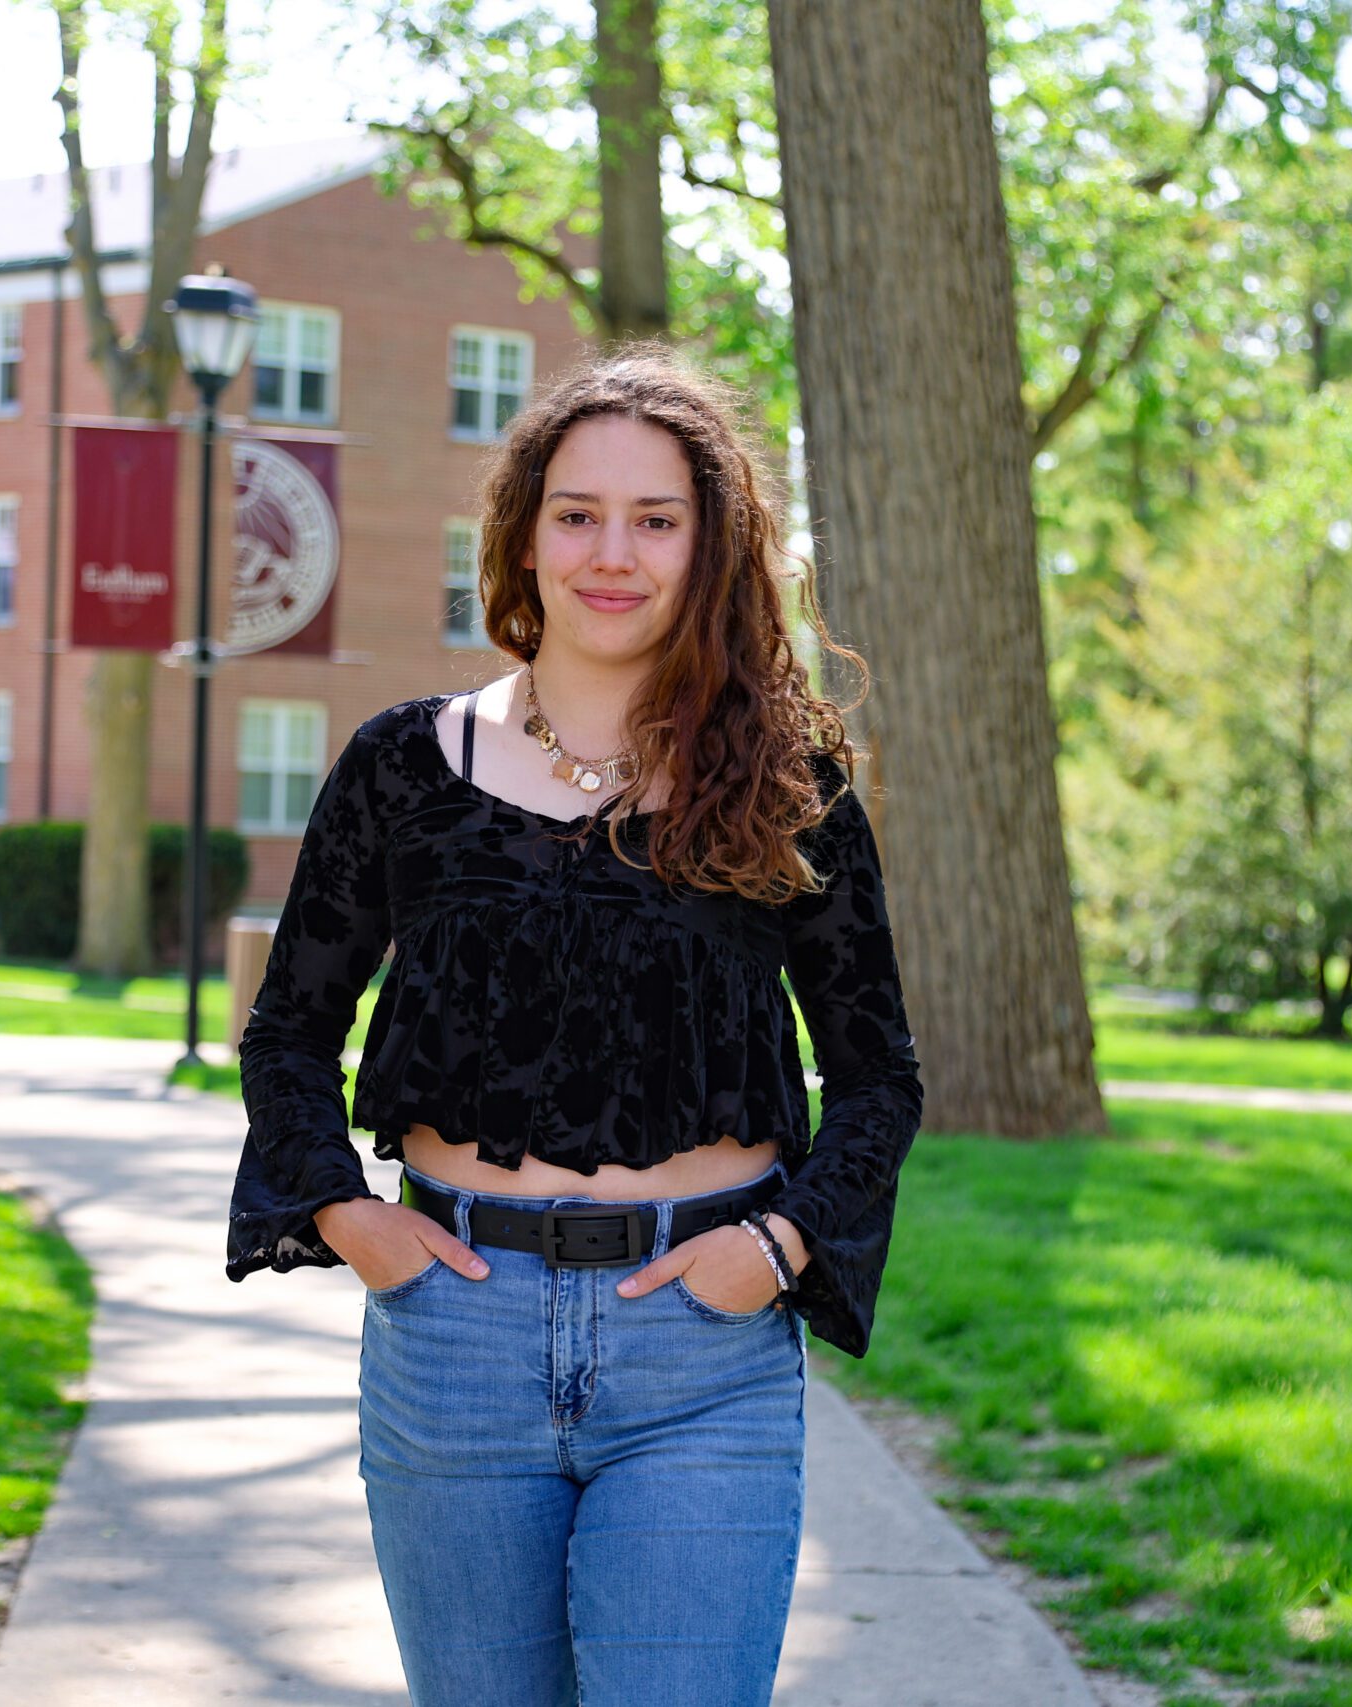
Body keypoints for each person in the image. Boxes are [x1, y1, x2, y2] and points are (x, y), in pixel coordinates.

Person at [223, 343, 925, 1707]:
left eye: (658, 519)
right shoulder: (400, 767)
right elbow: (290, 1031)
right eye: (580, 513)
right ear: (525, 535)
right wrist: (352, 1220)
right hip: (452, 1340)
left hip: (700, 1356)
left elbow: (879, 1074)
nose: (617, 552)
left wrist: (778, 1248)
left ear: (709, 548)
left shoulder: (788, 785)